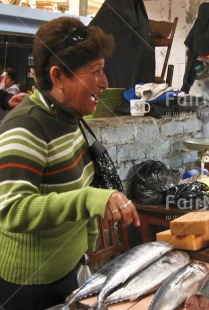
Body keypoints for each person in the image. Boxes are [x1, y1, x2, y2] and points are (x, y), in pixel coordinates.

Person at [0, 17, 140, 310]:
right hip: (30, 284)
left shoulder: (69, 116)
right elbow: (11, 210)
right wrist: (91, 199)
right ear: (58, 76)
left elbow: (79, 182)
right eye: (95, 72)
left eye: (103, 70)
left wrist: (85, 249)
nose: (104, 83)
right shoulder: (26, 126)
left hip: (70, 270)